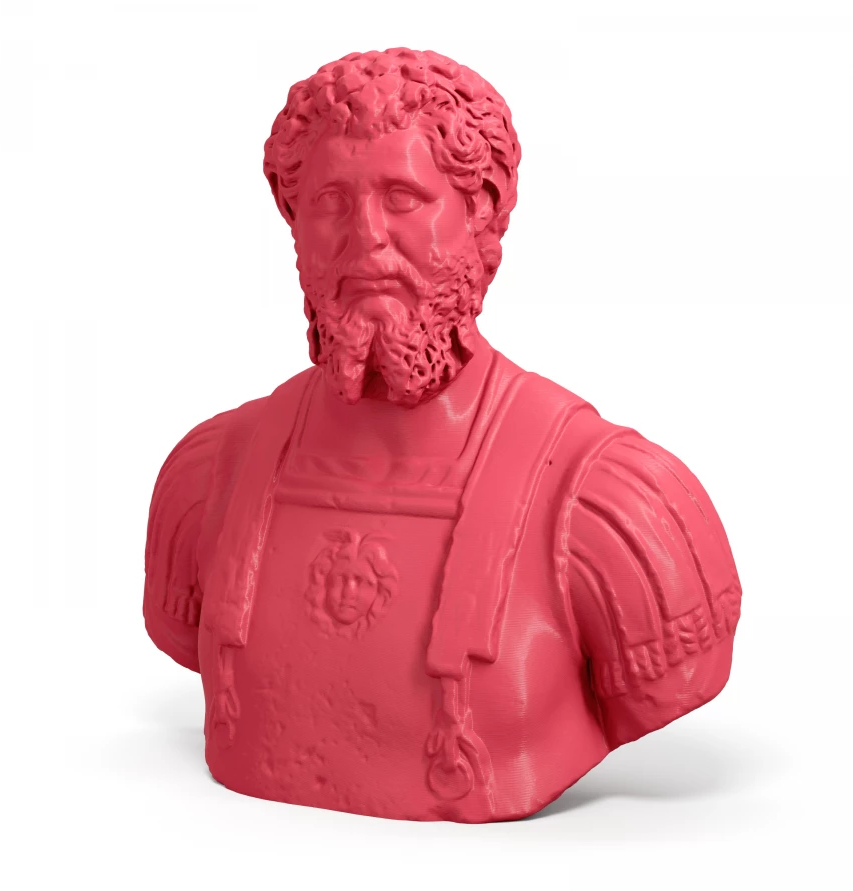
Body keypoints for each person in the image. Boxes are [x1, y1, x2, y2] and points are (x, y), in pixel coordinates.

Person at [143, 48, 742, 822]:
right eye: (330, 201)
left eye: (402, 197)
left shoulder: (611, 503)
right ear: (293, 223)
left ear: (480, 210)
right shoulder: (210, 478)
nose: (366, 238)